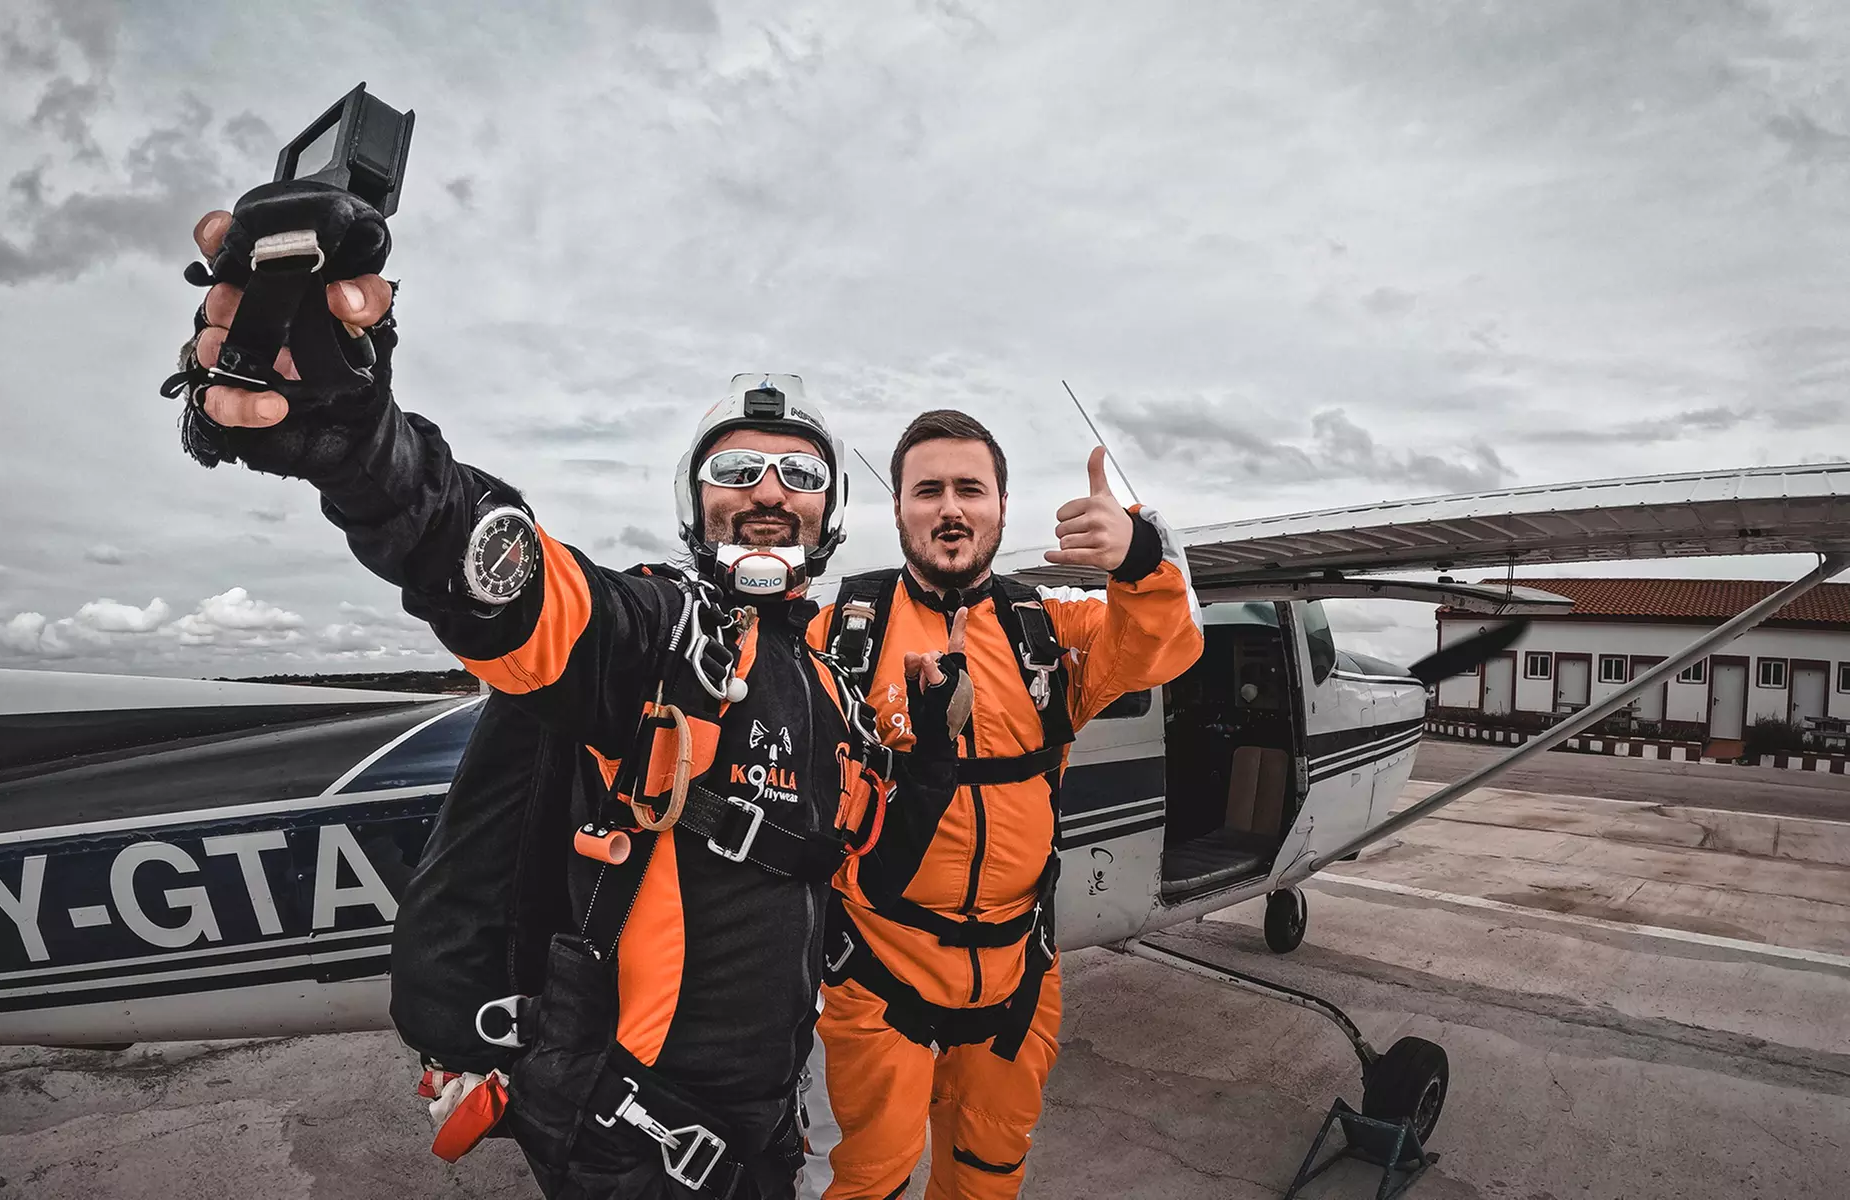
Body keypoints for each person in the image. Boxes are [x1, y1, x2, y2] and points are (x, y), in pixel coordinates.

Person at [167, 202, 961, 1199]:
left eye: (797, 471)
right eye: (735, 467)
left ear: (827, 508)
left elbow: (867, 871)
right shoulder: (659, 638)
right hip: (636, 1151)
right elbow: (506, 574)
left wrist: (927, 754)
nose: (767, 488)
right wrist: (360, 441)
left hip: (766, 1140)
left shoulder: (822, 687)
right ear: (694, 500)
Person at [800, 410, 1204, 1200]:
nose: (950, 508)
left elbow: (1171, 643)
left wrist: (1140, 556)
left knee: (989, 1171)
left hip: (1018, 977)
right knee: (862, 1179)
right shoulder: (838, 635)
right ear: (899, 511)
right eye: (929, 490)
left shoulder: (1048, 635)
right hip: (875, 980)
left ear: (1001, 508)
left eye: (969, 489)